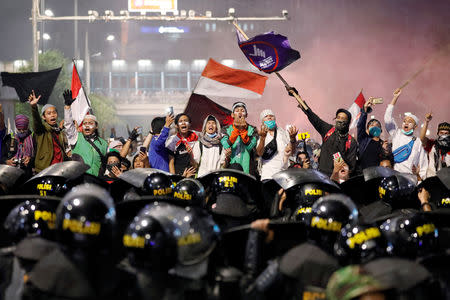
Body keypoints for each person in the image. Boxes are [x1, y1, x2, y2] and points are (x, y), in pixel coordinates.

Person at [288, 89, 358, 177]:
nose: (340, 120)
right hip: (322, 177)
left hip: (339, 180)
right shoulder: (328, 130)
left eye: (343, 119)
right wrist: (297, 96)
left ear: (348, 122)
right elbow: (312, 116)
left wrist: (339, 173)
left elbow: (351, 167)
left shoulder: (351, 142)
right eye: (338, 117)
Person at [384, 88, 428, 179]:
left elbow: (423, 164)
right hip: (395, 177)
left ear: (415, 127)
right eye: (404, 121)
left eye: (410, 121)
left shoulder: (417, 142)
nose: (406, 123)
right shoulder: (397, 134)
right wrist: (395, 97)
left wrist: (420, 180)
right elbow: (387, 118)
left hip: (411, 179)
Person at [63, 90, 108, 176]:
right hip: (79, 180)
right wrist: (67, 107)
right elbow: (68, 125)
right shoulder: (76, 137)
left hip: (96, 182)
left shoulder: (104, 144)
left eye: (90, 123)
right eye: (85, 123)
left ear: (96, 126)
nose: (87, 126)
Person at [28, 90, 69, 173]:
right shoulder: (42, 130)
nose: (52, 115)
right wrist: (34, 107)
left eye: (54, 112)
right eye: (49, 113)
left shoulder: (60, 132)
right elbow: (36, 121)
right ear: (43, 117)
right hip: (45, 171)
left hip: (60, 170)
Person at [256, 109, 298, 181]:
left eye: (271, 116)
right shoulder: (261, 134)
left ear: (275, 119)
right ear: (262, 121)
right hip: (267, 175)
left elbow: (292, 152)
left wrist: (292, 139)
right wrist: (262, 138)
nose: (269, 117)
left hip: (283, 174)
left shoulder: (283, 134)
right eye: (266, 116)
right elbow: (259, 153)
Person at [221, 102, 258, 174]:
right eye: (237, 111)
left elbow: (250, 146)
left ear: (246, 115)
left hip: (248, 170)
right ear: (232, 115)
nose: (240, 113)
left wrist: (243, 130)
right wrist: (236, 130)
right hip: (230, 167)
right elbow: (226, 145)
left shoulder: (253, 129)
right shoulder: (225, 129)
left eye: (242, 111)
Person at [166, 113, 198, 177]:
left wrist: (190, 154)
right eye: (180, 121)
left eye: (185, 121)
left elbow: (196, 165)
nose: (183, 123)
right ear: (176, 125)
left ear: (189, 124)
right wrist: (174, 178)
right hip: (178, 176)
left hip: (192, 176)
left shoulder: (196, 138)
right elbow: (171, 163)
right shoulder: (172, 140)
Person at [357, 98, 386, 169]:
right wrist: (365, 109)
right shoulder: (363, 139)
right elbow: (360, 125)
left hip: (378, 175)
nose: (375, 127)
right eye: (372, 125)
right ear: (367, 130)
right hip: (364, 175)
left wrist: (386, 151)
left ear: (381, 130)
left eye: (377, 125)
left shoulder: (383, 144)